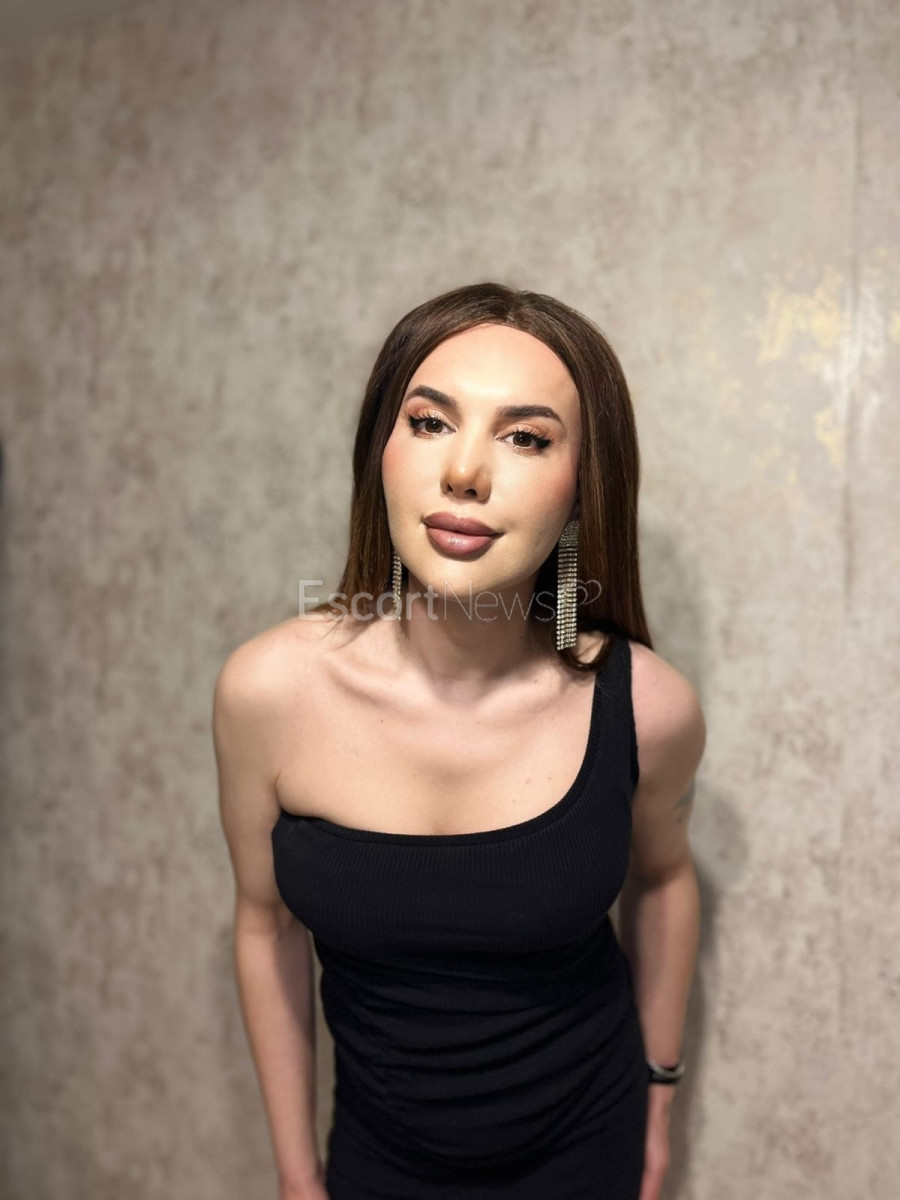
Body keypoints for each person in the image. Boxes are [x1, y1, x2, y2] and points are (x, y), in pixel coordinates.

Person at [213, 282, 706, 1200]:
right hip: (376, 1159)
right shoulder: (267, 692)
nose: (466, 471)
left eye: (527, 438)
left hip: (586, 1153)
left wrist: (660, 1097)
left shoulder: (647, 707)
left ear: (583, 488)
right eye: (431, 422)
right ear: (382, 451)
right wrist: (295, 1174)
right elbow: (263, 923)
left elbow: (668, 879)